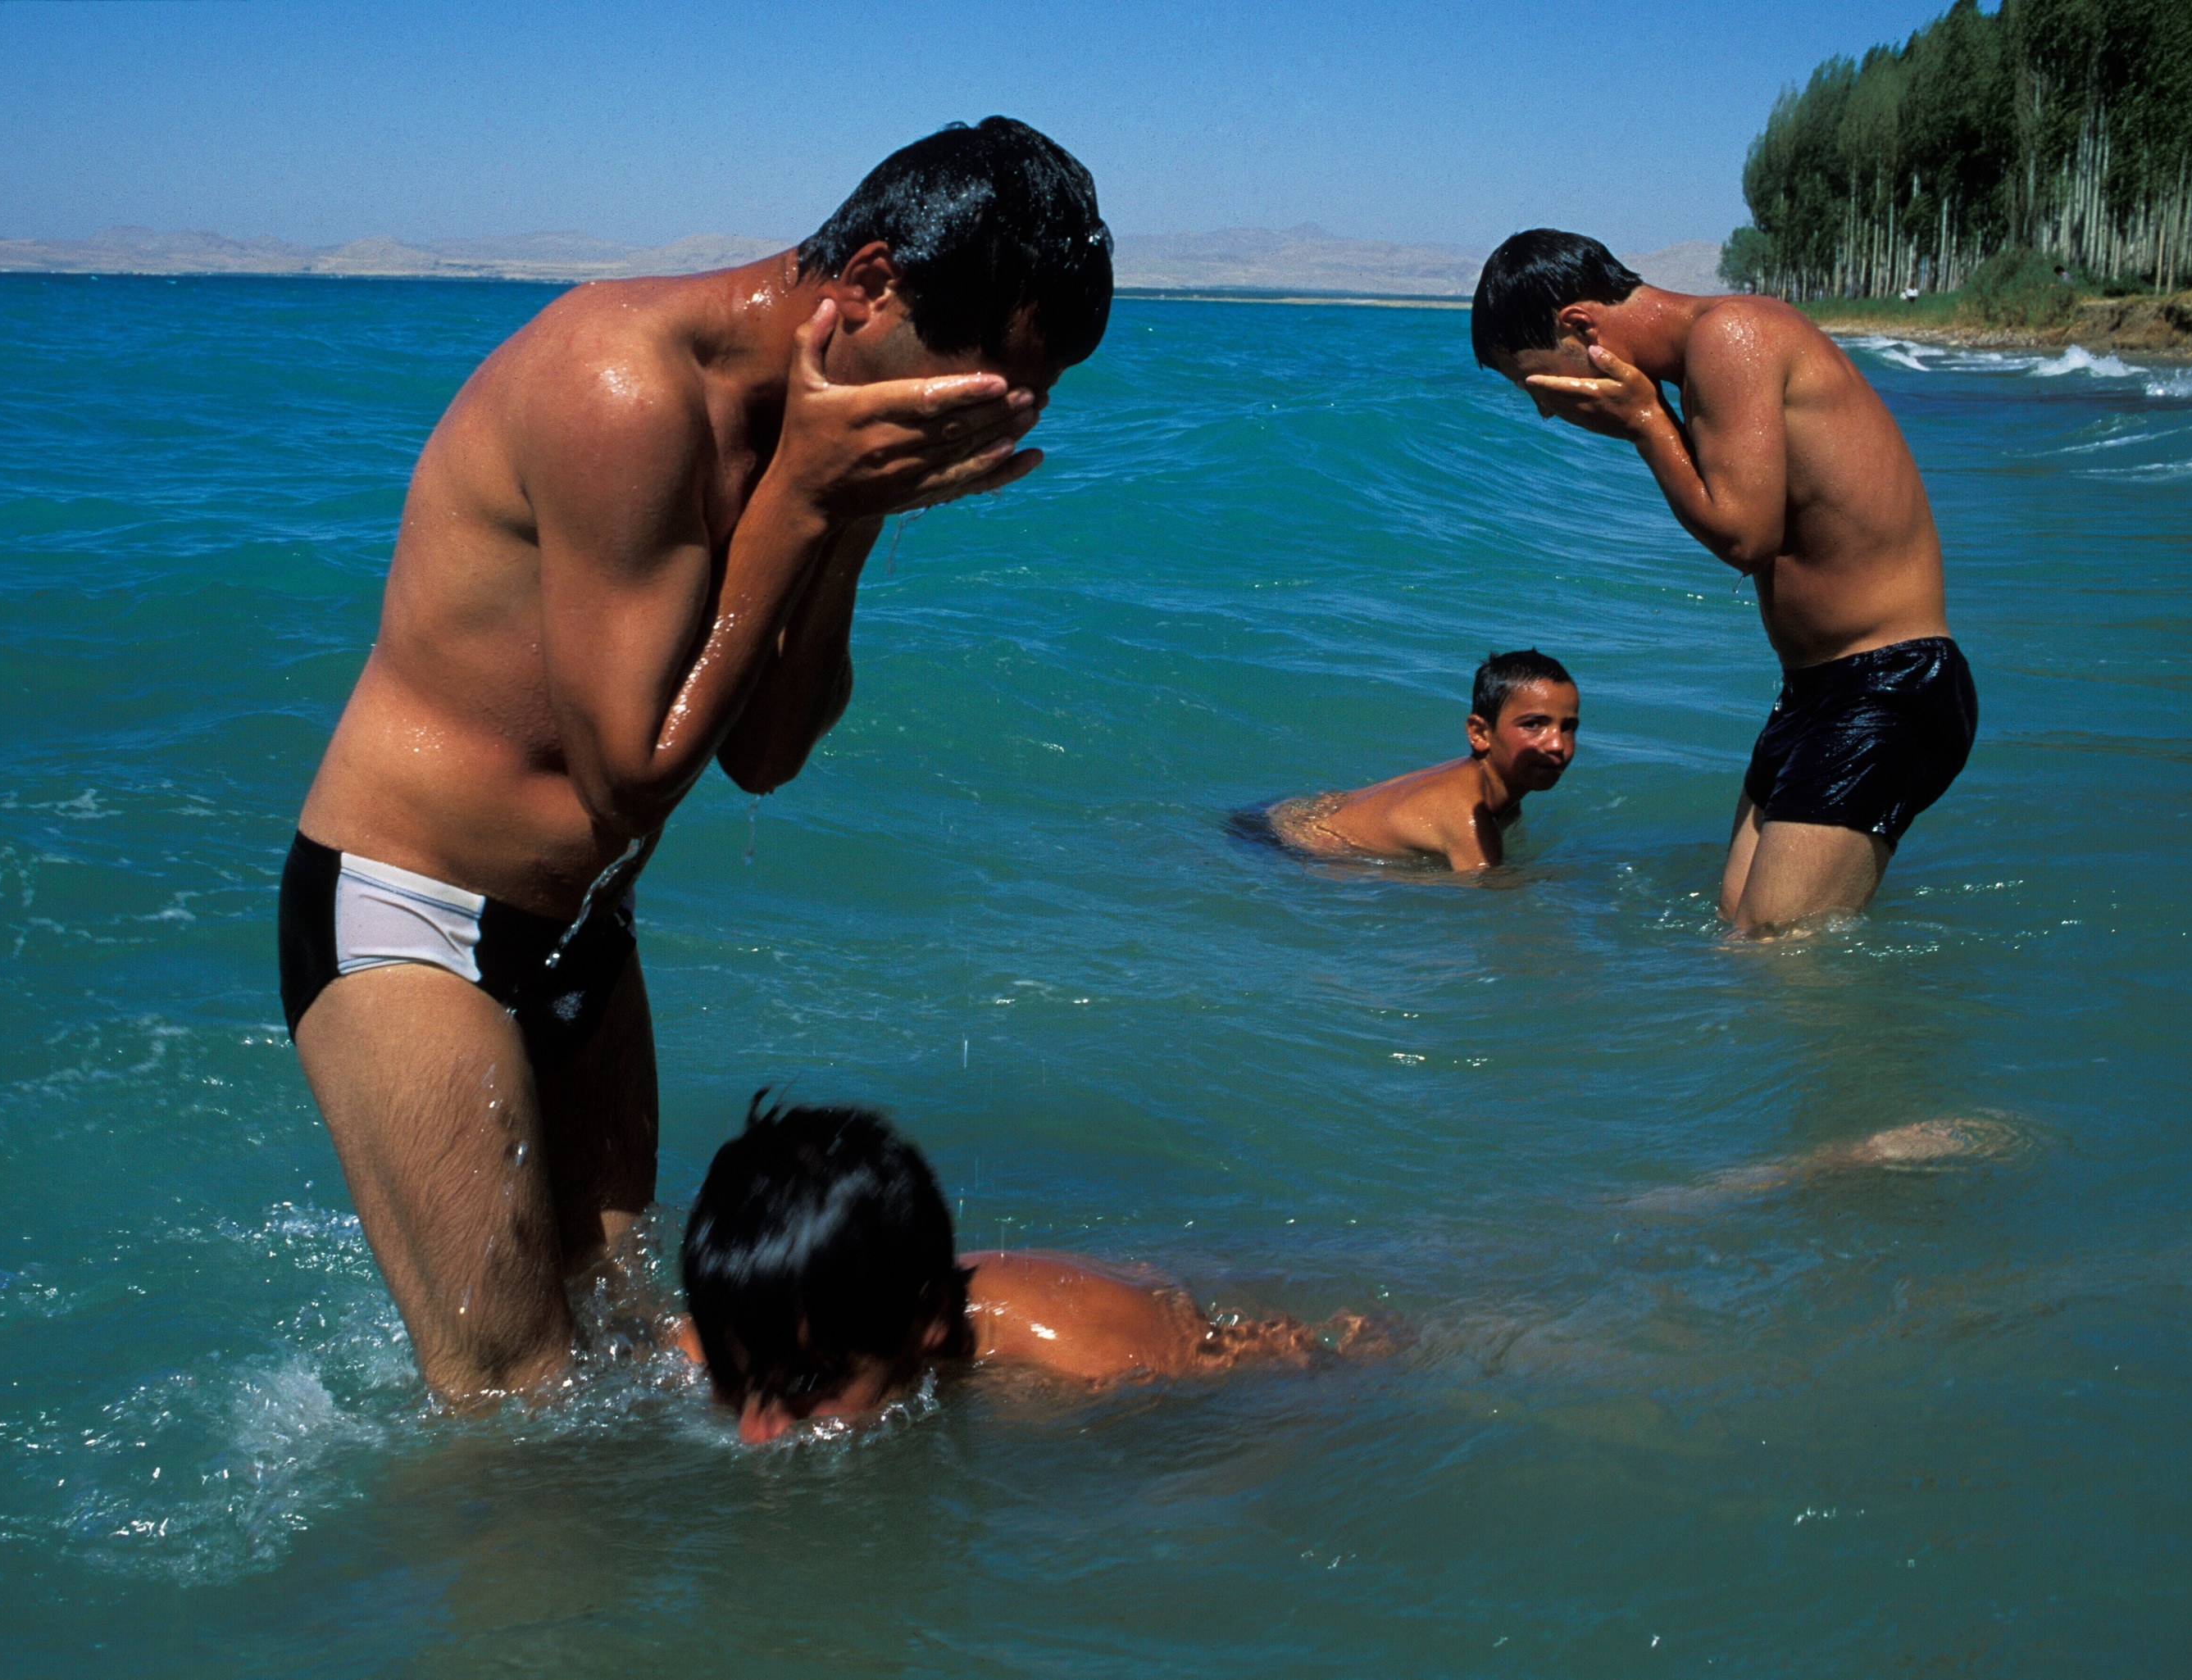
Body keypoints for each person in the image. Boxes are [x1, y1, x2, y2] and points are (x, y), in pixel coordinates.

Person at [277, 118, 1114, 1405]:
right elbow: (627, 775)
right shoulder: (623, 389)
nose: (981, 424)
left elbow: (766, 754)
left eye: (1024, 402)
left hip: (584, 933)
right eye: (976, 384)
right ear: (871, 284)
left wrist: (845, 512)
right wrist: (802, 501)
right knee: (512, 1408)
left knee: (621, 1357)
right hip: (413, 917)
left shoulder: (820, 437)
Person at [1471, 230, 1976, 934]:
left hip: (1887, 685)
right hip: (1818, 691)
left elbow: (1745, 537)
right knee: (1740, 940)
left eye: (1537, 383)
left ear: (1580, 327)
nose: (1547, 409)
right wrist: (1652, 418)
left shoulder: (1730, 335)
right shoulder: (1708, 358)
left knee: (1778, 949)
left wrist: (1645, 421)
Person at [676, 1098, 1384, 1443]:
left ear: (928, 1321)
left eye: (808, 1387)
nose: (755, 1434)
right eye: (736, 1383)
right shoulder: (757, 1327)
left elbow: (1308, 1367)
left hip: (1128, 1304)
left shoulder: (1106, 1360)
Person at [1259, 648, 1579, 868]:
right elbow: (1488, 909)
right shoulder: (1468, 817)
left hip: (1294, 814)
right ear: (1480, 733)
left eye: (1568, 727)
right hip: (1281, 847)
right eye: (1533, 725)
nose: (1556, 743)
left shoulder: (1493, 791)